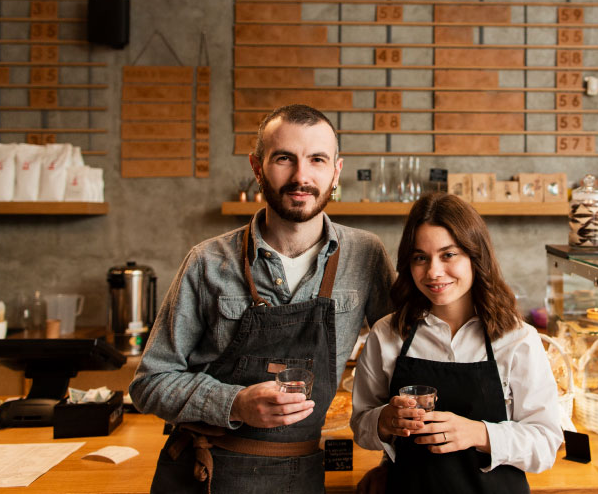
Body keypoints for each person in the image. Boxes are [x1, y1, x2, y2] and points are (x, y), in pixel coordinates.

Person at [130, 104, 394, 494]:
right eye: (284, 159)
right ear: (257, 167)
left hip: (302, 474)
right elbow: (150, 382)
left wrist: (394, 463)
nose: (301, 177)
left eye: (317, 160)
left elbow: (406, 365)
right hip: (206, 473)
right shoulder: (207, 261)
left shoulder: (366, 255)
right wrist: (234, 403)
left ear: (336, 170)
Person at [351, 193, 563, 494]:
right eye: (420, 258)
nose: (434, 272)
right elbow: (361, 426)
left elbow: (545, 444)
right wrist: (384, 420)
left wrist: (479, 433)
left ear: (475, 256)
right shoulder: (387, 334)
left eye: (448, 255)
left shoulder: (517, 339)